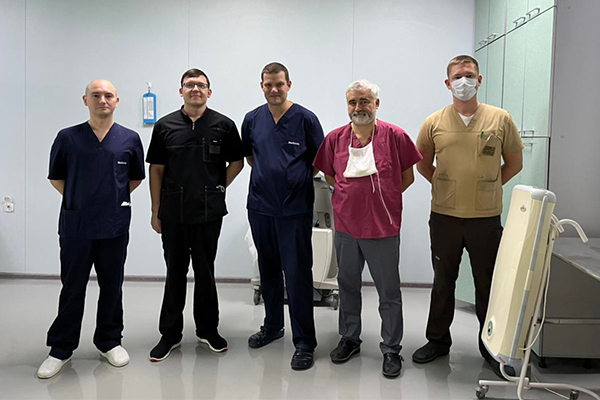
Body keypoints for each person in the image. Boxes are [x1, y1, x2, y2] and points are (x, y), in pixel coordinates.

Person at [412, 55, 524, 371]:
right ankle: (437, 340)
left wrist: (486, 186)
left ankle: (491, 347)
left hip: (485, 219)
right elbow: (423, 164)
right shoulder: (434, 122)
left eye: (470, 75)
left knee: (487, 283)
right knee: (443, 281)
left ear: (479, 79)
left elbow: (514, 163)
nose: (464, 82)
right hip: (445, 216)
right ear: (448, 83)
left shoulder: (500, 119)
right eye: (458, 77)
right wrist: (447, 187)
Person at [313, 79, 422, 378]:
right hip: (347, 227)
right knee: (347, 286)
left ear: (376, 104)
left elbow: (407, 177)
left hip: (382, 228)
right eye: (353, 102)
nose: (358, 107)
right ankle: (349, 338)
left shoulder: (395, 136)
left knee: (388, 291)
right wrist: (351, 199)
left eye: (364, 101)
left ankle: (391, 348)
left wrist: (382, 199)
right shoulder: (335, 138)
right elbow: (331, 176)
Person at [38, 80, 145, 379]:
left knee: (112, 285)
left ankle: (109, 341)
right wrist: (82, 201)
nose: (102, 100)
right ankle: (61, 348)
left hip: (114, 225)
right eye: (95, 95)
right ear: (85, 100)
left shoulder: (130, 138)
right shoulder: (68, 137)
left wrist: (109, 200)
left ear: (117, 101)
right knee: (73, 287)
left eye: (108, 95)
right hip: (77, 226)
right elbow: (56, 177)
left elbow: (134, 178)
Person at [146, 68, 244, 362]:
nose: (195, 89)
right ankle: (170, 334)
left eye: (201, 85)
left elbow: (237, 162)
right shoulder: (164, 126)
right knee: (174, 273)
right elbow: (156, 169)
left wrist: (218, 188)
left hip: (208, 213)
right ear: (181, 91)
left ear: (209, 92)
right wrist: (155, 210)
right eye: (189, 85)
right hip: (172, 213)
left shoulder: (224, 125)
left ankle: (208, 330)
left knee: (205, 272)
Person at [242, 62, 324, 371]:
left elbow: (318, 160)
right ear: (261, 86)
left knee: (298, 273)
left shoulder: (305, 119)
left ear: (289, 84)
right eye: (268, 84)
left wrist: (292, 180)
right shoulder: (252, 119)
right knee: (268, 269)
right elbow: (251, 157)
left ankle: (304, 341)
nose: (274, 89)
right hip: (260, 207)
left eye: (279, 84)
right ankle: (272, 326)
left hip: (294, 208)